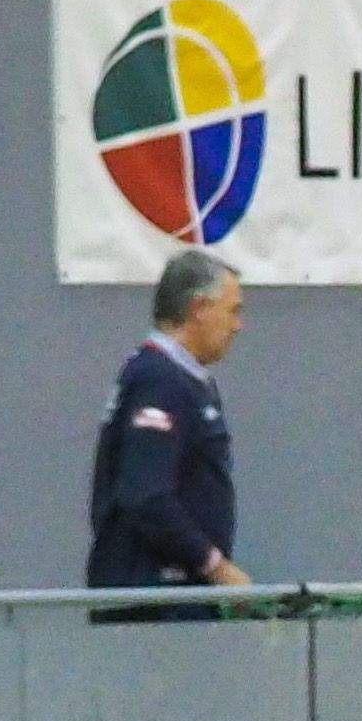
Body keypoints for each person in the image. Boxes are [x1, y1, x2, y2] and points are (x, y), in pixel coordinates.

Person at [87, 249, 246, 619]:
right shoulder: (160, 381)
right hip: (156, 602)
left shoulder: (178, 379)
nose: (238, 325)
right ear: (199, 308)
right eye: (233, 310)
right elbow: (145, 494)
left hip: (171, 596)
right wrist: (215, 567)